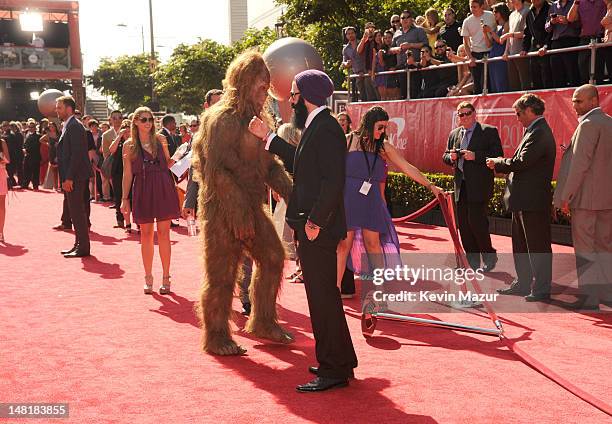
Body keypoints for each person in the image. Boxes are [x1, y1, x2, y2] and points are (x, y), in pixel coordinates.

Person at [249, 69, 357, 392]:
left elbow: (332, 182)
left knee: (322, 298)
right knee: (325, 297)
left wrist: (315, 221)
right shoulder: (317, 126)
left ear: (305, 96)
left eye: (293, 95)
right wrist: (268, 138)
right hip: (314, 227)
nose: (290, 101)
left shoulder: (326, 129)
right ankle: (340, 360)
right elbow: (302, 162)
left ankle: (332, 368)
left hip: (317, 229)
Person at [339, 106, 442, 291]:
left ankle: (380, 290)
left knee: (373, 244)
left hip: (371, 201)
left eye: (385, 128)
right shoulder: (348, 141)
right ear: (369, 124)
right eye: (380, 127)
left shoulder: (384, 147)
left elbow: (406, 167)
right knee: (344, 244)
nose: (383, 132)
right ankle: (335, 290)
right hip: (348, 199)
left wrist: (430, 185)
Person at [487, 94, 556, 302]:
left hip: (533, 201)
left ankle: (542, 288)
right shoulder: (535, 131)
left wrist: (498, 162)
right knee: (521, 245)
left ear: (529, 111)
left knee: (537, 246)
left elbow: (521, 162)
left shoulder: (540, 132)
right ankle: (523, 283)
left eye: (518, 113)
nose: (517, 118)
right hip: (524, 200)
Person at [554, 85, 612, 310]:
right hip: (607, 200)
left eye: (578, 101)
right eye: (573, 101)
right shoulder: (609, 122)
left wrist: (566, 197)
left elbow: (579, 166)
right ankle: (606, 293)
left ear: (593, 101)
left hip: (586, 200)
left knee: (586, 248)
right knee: (605, 246)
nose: (574, 105)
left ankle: (589, 298)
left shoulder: (588, 125)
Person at [120, 107, 181, 294]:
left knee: (164, 234)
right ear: (135, 122)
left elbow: (169, 164)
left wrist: (180, 155)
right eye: (144, 119)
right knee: (145, 235)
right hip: (143, 189)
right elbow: (127, 174)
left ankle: (166, 277)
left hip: (163, 187)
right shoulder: (129, 145)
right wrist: (124, 199)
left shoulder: (161, 140)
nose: (148, 123)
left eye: (151, 120)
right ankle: (148, 277)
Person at [444, 102, 503, 271]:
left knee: (477, 223)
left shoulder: (488, 131)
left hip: (479, 186)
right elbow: (445, 156)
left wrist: (475, 156)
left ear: (474, 113)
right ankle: (472, 262)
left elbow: (498, 155)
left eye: (467, 113)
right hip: (460, 186)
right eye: (460, 114)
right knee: (464, 226)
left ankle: (489, 258)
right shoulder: (454, 134)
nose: (464, 117)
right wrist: (452, 157)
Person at [55, 96, 93, 258]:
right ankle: (78, 244)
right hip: (72, 175)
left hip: (75, 176)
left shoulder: (75, 126)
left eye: (59, 107)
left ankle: (83, 247)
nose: (57, 110)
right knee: (75, 211)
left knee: (78, 212)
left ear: (69, 108)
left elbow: (77, 155)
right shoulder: (69, 125)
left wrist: (69, 177)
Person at [390, 10, 428, 99]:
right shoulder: (397, 33)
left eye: (407, 17)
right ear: (400, 20)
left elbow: (425, 44)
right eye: (403, 17)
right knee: (403, 94)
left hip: (414, 66)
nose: (405, 19)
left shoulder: (419, 30)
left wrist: (410, 45)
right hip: (401, 67)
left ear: (411, 19)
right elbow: (390, 49)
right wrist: (395, 49)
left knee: (415, 94)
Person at [461, 0, 497, 94]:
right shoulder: (467, 21)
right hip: (475, 54)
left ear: (482, 6)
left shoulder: (491, 15)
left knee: (489, 82)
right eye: (471, 7)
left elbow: (499, 30)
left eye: (475, 7)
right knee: (477, 84)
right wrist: (470, 57)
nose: (472, 9)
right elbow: (465, 41)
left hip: (490, 51)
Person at [568, 0, 607, 84]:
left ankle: (596, 93)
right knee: (583, 69)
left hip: (600, 38)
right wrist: (575, 3)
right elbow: (570, 18)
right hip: (585, 39)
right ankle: (586, 92)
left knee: (597, 71)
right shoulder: (579, 2)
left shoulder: (603, 1)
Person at [545, 0, 581, 88]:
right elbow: (547, 28)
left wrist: (568, 21)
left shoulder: (575, 3)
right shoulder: (553, 5)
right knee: (557, 75)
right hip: (556, 43)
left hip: (571, 41)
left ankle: (575, 96)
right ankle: (559, 98)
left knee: (572, 73)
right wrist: (552, 22)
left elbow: (580, 24)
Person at [522, 0, 553, 89]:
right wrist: (525, 48)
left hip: (548, 50)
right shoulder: (529, 13)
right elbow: (527, 33)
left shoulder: (550, 8)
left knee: (548, 80)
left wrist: (546, 46)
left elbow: (552, 30)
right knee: (536, 81)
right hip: (534, 51)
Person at [109, 120, 133, 232]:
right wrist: (119, 136)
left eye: (130, 131)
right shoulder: (118, 142)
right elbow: (111, 150)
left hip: (133, 173)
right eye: (125, 132)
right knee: (119, 197)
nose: (127, 134)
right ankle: (121, 221)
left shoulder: (134, 143)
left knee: (133, 198)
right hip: (118, 174)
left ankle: (136, 222)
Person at [504, 0, 532, 91]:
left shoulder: (527, 11)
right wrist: (506, 51)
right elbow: (509, 34)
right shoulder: (512, 15)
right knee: (514, 85)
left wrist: (509, 35)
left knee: (525, 83)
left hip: (522, 53)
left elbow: (527, 33)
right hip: (512, 54)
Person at [485, 3, 511, 93]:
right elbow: (489, 44)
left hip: (501, 58)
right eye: (493, 12)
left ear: (502, 12)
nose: (494, 14)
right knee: (494, 86)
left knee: (501, 83)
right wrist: (485, 33)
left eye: (496, 12)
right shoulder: (496, 26)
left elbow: (501, 40)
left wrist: (491, 31)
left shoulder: (507, 24)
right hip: (493, 59)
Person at [22, 120, 41, 190]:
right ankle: (25, 184)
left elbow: (35, 146)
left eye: (32, 127)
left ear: (35, 127)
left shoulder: (38, 136)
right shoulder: (27, 135)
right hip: (27, 156)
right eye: (29, 127)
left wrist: (26, 150)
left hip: (35, 157)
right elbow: (24, 144)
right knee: (26, 170)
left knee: (35, 172)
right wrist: (23, 149)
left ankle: (35, 185)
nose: (31, 128)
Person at [42, 122, 60, 190]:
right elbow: (40, 140)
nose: (51, 127)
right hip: (52, 153)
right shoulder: (48, 134)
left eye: (53, 126)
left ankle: (60, 185)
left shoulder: (59, 133)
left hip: (59, 152)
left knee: (61, 170)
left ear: (55, 127)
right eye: (50, 126)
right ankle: (55, 186)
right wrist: (47, 143)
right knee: (54, 170)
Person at [0, 134, 10, 242]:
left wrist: (1, 158)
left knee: (1, 204)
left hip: (0, 174)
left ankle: (0, 232)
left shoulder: (2, 142)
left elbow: (8, 159)